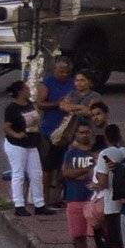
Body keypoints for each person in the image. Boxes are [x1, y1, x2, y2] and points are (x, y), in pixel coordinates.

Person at [1, 81, 49, 217]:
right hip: (16, 145)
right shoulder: (12, 108)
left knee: (36, 174)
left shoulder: (29, 105)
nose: (29, 91)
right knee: (18, 174)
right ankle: (19, 205)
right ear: (21, 92)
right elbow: (6, 127)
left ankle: (39, 204)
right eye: (27, 89)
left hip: (31, 143)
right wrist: (17, 135)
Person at [60, 123, 101, 248]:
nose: (84, 135)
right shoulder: (71, 153)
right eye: (81, 132)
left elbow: (95, 175)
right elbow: (65, 172)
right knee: (78, 236)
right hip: (74, 199)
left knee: (99, 238)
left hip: (93, 200)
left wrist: (76, 175)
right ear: (76, 134)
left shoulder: (95, 153)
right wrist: (85, 172)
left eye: (87, 132)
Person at [37, 56, 78, 206]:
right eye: (61, 72)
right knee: (48, 166)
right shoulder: (47, 83)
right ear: (55, 70)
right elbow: (41, 103)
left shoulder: (73, 84)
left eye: (67, 72)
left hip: (66, 130)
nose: (64, 75)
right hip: (50, 130)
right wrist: (56, 104)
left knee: (63, 165)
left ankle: (58, 197)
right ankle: (44, 197)